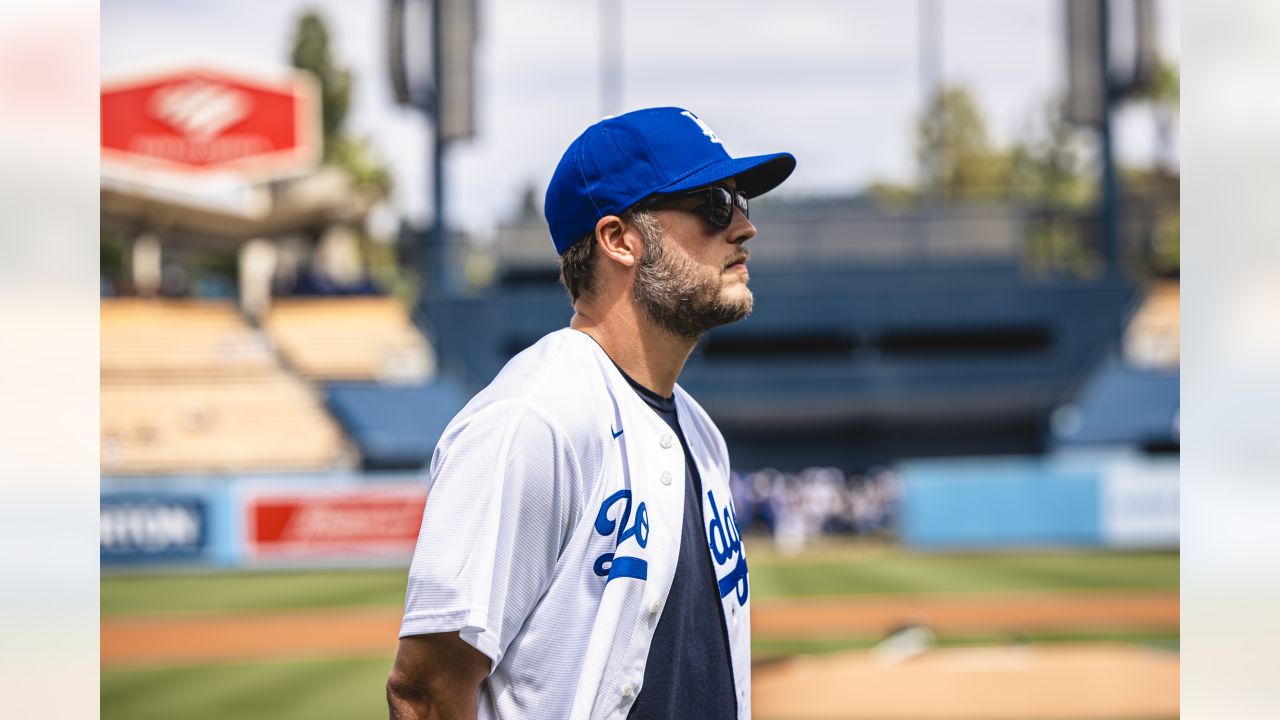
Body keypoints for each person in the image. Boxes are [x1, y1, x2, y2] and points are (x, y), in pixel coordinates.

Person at [386, 106, 795, 720]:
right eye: (715, 204)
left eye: (743, 203)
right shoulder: (531, 419)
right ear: (618, 240)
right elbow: (424, 694)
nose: (743, 227)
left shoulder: (701, 432)